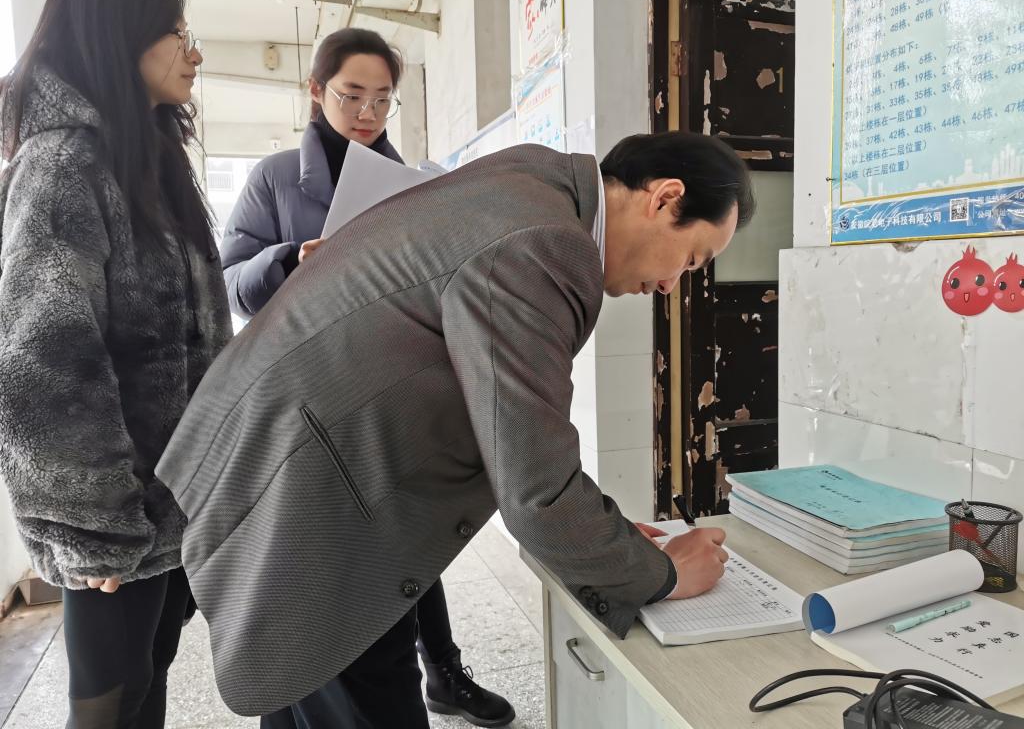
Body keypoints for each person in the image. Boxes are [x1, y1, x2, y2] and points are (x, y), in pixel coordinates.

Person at [156, 130, 753, 727]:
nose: (672, 285)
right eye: (691, 259)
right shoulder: (547, 241)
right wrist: (663, 574)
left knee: (311, 700)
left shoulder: (533, 179)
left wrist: (606, 533)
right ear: (664, 198)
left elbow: (514, 432)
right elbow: (536, 486)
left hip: (294, 455)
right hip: (317, 502)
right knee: (361, 697)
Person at [217, 27, 513, 727]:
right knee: (334, 570)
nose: (368, 114)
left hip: (397, 388)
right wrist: (291, 261)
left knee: (410, 541)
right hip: (311, 399)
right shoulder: (274, 180)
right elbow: (230, 283)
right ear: (316, 91)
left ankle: (443, 670)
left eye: (383, 100)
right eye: (352, 95)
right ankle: (336, 689)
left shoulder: (414, 184)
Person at [0, 0, 232, 726]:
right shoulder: (63, 164)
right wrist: (90, 527)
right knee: (108, 706)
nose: (194, 52)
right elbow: (43, 363)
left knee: (148, 680)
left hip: (164, 504)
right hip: (112, 515)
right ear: (118, 37)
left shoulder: (146, 160)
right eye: (177, 34)